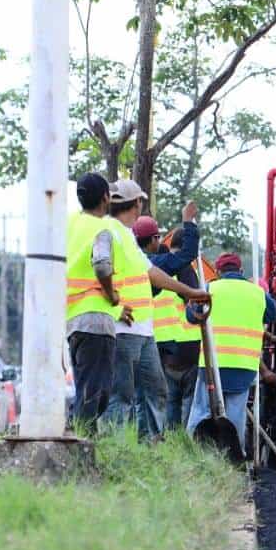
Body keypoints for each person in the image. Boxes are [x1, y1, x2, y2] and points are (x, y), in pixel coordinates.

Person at [105, 179, 208, 439]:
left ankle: (150, 444)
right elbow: (99, 273)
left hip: (145, 333)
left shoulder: (127, 238)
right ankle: (114, 449)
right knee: (123, 395)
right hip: (124, 328)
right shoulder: (111, 234)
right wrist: (116, 306)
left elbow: (152, 273)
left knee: (155, 390)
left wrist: (190, 292)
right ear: (136, 203)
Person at [186, 253, 276, 455]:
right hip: (244, 365)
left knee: (202, 411)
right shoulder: (258, 293)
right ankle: (234, 459)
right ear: (241, 271)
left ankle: (191, 455)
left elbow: (190, 316)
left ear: (218, 272)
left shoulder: (210, 288)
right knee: (235, 417)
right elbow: (272, 314)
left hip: (212, 364)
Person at [64, 173, 127, 433]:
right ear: (106, 198)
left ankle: (79, 437)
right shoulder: (100, 228)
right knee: (95, 395)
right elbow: (102, 264)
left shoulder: (69, 225)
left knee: (86, 390)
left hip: (73, 322)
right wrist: (113, 296)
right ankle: (79, 444)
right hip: (95, 322)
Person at [134, 204, 202, 429]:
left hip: (134, 338)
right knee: (158, 395)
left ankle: (145, 440)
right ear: (153, 239)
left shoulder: (125, 260)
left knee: (136, 397)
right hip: (166, 345)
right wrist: (188, 221)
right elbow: (187, 255)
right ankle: (158, 438)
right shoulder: (155, 264)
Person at [151, 225, 203, 429]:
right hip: (188, 345)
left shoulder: (155, 269)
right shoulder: (185, 270)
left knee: (169, 400)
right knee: (188, 401)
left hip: (162, 346)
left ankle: (171, 441)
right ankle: (185, 440)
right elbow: (195, 306)